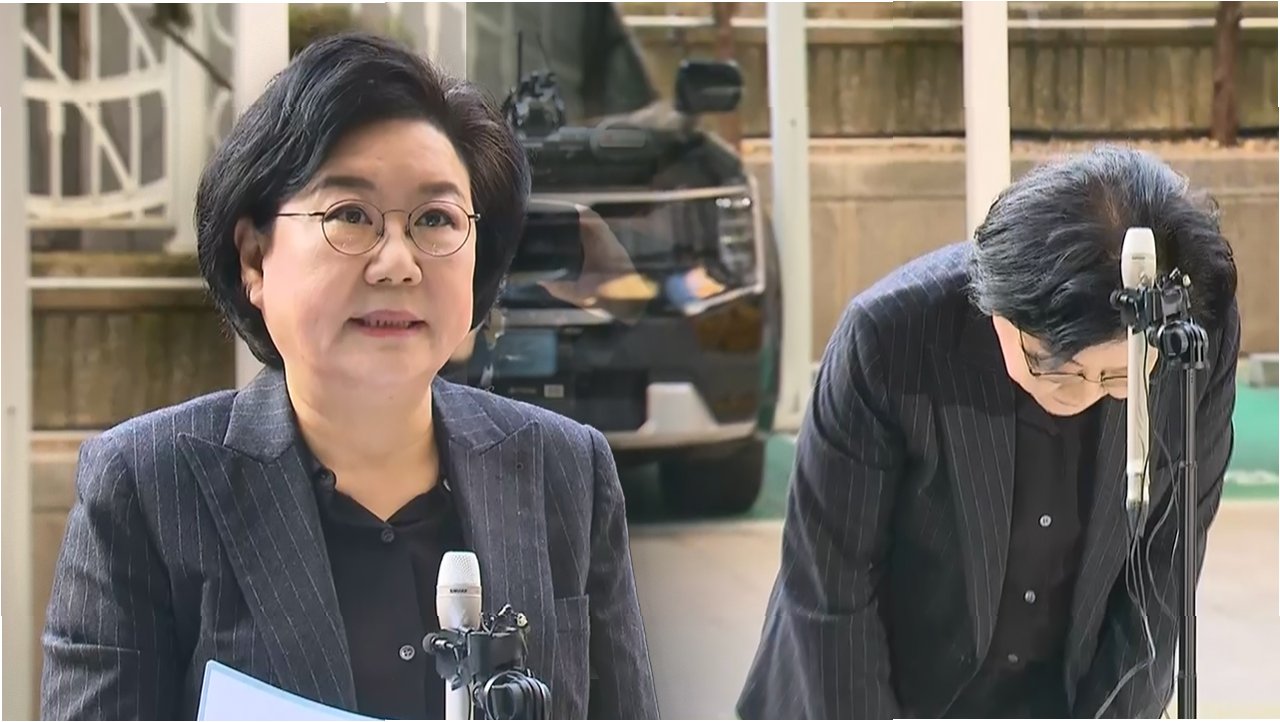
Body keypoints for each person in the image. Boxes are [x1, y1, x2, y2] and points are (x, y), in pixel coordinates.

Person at [41, 32, 659, 721]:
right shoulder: (147, 487)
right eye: (351, 216)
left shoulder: (565, 471)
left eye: (435, 219)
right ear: (254, 258)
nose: (397, 263)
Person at [737, 145, 1240, 719]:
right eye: (1052, 366)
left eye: (1117, 376)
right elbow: (832, 589)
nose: (1079, 393)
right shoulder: (889, 338)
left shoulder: (1193, 338)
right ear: (998, 307)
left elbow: (1164, 574)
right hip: (875, 690)